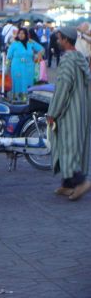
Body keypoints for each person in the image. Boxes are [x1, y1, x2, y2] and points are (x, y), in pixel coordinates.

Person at [47, 27, 91, 201]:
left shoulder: (67, 61)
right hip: (81, 110)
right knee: (73, 146)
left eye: (59, 38)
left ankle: (80, 182)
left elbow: (63, 89)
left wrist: (53, 112)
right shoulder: (80, 58)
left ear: (65, 40)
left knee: (68, 147)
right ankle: (67, 184)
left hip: (68, 112)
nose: (57, 41)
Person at [7, 27, 44, 101]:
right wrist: (6, 68)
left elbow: (42, 49)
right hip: (17, 68)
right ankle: (17, 101)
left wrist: (37, 57)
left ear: (26, 34)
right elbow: (8, 57)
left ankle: (27, 101)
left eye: (23, 33)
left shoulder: (30, 43)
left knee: (28, 84)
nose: (21, 35)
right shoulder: (14, 44)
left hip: (29, 68)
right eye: (19, 33)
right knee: (17, 84)